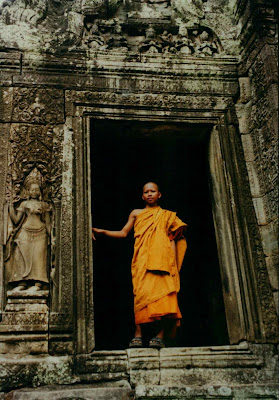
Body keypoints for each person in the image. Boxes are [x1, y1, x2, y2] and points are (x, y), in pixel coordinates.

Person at [92, 182, 187, 349]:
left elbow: (173, 239)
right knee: (141, 295)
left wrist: (173, 265)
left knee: (165, 296)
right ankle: (138, 333)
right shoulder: (136, 214)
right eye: (146, 192)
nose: (150, 194)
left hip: (163, 262)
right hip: (142, 261)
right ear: (142, 196)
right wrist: (103, 232)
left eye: (153, 191)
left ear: (159, 195)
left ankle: (160, 335)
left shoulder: (167, 216)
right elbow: (123, 233)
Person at [5, 178, 51, 293]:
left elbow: (48, 223)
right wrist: (10, 205)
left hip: (41, 234)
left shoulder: (44, 205)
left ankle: (38, 283)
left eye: (36, 190)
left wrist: (53, 238)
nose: (34, 192)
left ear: (40, 192)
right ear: (28, 191)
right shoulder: (24, 204)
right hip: (25, 233)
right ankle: (22, 282)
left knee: (38, 259)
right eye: (32, 190)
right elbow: (16, 220)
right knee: (19, 256)